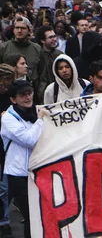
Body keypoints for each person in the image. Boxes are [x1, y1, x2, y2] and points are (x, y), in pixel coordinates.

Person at [2, 80, 48, 238]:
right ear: (13, 99)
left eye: (29, 93)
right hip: (18, 173)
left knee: (40, 213)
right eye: (23, 95)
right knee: (31, 215)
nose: (28, 97)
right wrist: (41, 120)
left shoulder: (35, 111)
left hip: (37, 170)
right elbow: (29, 139)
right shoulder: (8, 119)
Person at [0, 16, 48, 101]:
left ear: (29, 30)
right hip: (8, 95)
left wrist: (40, 95)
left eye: (23, 28)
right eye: (17, 28)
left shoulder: (37, 49)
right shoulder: (4, 48)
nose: (19, 31)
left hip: (32, 94)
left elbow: (43, 75)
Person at [0, 65, 15, 238]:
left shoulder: (11, 95)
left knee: (5, 186)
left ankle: (4, 219)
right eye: (6, 79)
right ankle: (4, 221)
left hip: (7, 145)